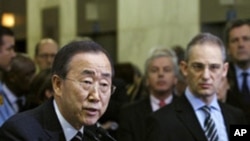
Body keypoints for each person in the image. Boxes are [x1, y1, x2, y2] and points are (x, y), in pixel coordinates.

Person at [0, 40, 116, 141]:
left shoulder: (97, 134)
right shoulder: (20, 132)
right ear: (58, 85)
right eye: (87, 82)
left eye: (104, 84)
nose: (95, 96)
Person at [146, 33, 247, 141]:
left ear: (224, 70)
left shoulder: (237, 117)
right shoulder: (162, 121)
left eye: (214, 67)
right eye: (198, 67)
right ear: (184, 69)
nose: (206, 76)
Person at [117, 48, 178, 141]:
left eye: (166, 70)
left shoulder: (188, 110)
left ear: (175, 78)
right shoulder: (129, 113)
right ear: (147, 80)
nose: (161, 74)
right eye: (154, 70)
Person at [223, 19, 250, 123]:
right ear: (228, 49)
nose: (241, 45)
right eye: (235, 40)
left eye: (246, 39)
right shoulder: (221, 76)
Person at [0, 53, 36, 126]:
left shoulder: (34, 98)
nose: (34, 79)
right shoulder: (1, 99)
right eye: (28, 75)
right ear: (12, 77)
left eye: (34, 73)